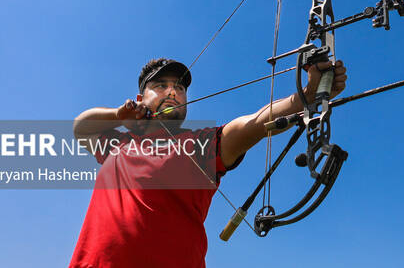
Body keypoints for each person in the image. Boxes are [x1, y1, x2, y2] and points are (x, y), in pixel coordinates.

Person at [69, 57, 347, 268]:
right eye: (160, 85)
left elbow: (252, 125)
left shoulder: (199, 145)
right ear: (141, 98)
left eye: (179, 87)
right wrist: (119, 115)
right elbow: (81, 127)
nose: (172, 91)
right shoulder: (116, 145)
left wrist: (306, 96)